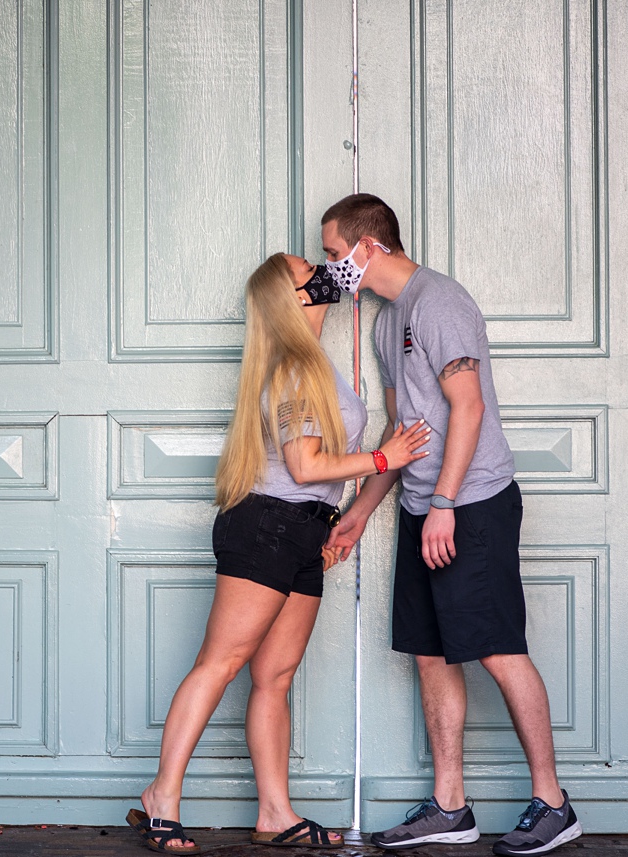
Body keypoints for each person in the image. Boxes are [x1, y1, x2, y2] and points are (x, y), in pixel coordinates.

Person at [127, 253, 430, 854]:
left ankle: (275, 812)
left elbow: (316, 474)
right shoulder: (293, 367)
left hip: (305, 530)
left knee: (275, 676)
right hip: (265, 524)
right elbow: (304, 466)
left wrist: (343, 515)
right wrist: (381, 459)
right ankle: (161, 795)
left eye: (323, 267)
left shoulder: (316, 363)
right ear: (288, 299)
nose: (324, 277)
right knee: (220, 664)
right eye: (308, 275)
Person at [320, 194, 582, 856]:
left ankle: (554, 802)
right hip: (419, 507)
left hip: (473, 504)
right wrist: (359, 512)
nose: (332, 267)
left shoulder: (439, 301)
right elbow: (397, 434)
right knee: (431, 653)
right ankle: (448, 805)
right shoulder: (385, 324)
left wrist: (443, 502)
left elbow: (467, 407)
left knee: (496, 645)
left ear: (370, 246)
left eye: (334, 253)